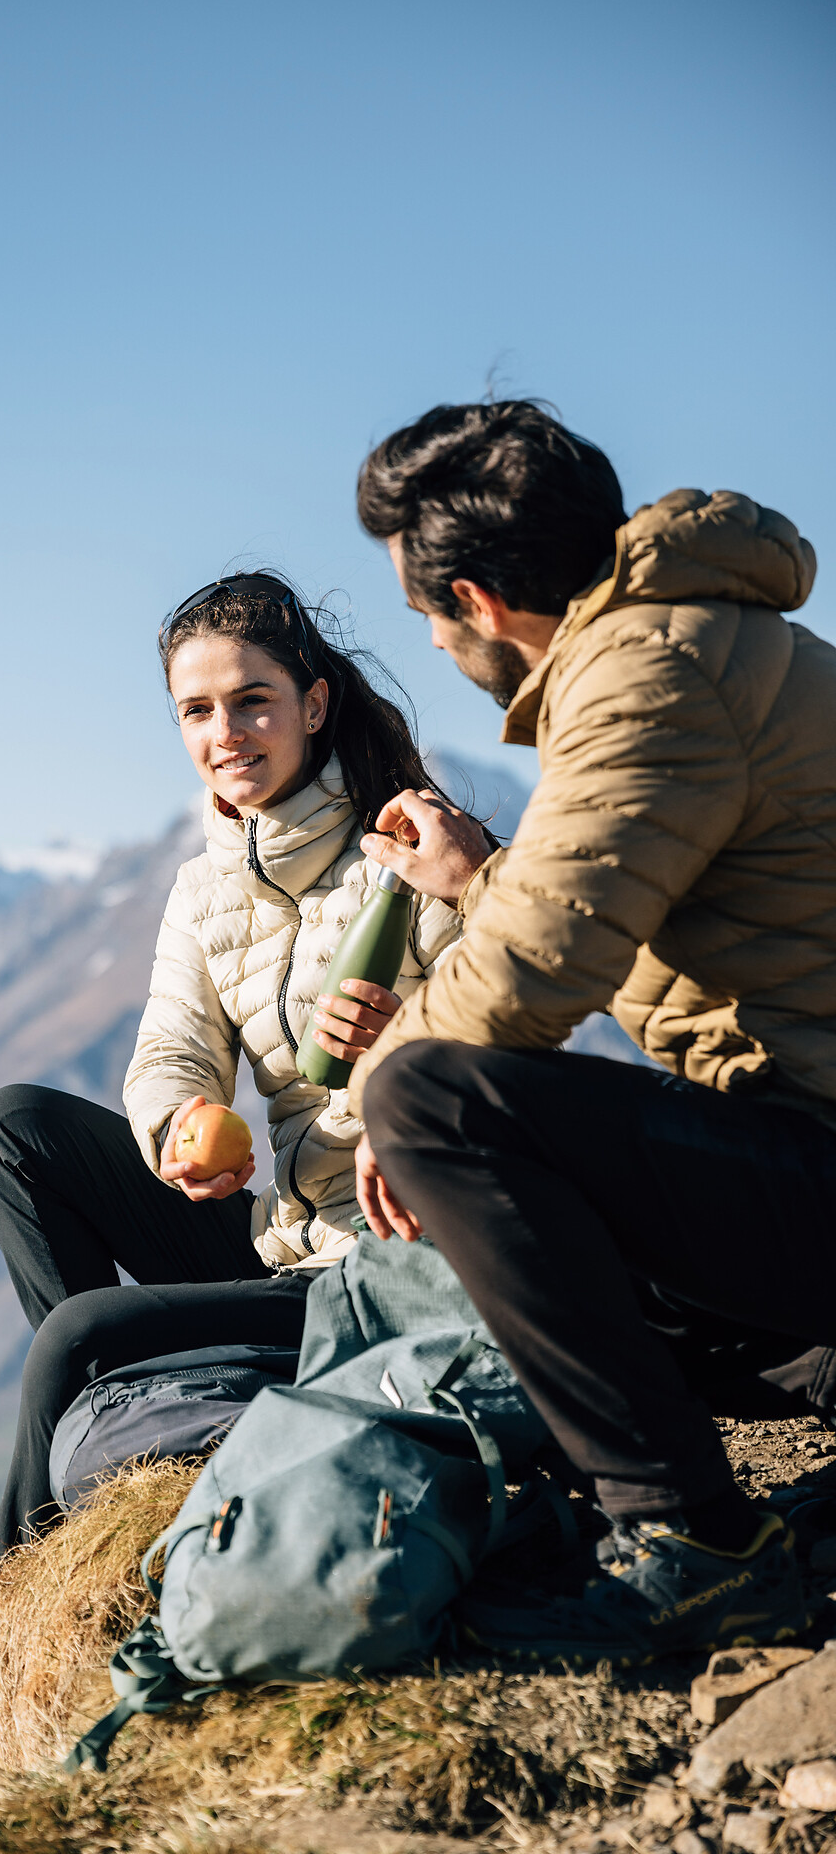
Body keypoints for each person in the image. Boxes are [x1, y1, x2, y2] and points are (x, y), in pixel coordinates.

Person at [0, 570, 472, 1806]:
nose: (225, 735)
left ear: (313, 704)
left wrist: (393, 1047)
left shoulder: (411, 852)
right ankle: (138, 1409)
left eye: (251, 703)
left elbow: (511, 1033)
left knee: (82, 1335)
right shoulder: (207, 883)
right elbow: (170, 1045)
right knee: (13, 1129)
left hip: (380, 1272)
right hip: (275, 1239)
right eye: (197, 714)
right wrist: (173, 1123)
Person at [347, 398, 835, 1662]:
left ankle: (700, 1547)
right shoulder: (701, 638)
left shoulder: (645, 677)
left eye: (428, 622)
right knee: (551, 1253)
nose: (445, 650)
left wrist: (387, 1088)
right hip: (801, 1129)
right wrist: (480, 876)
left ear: (477, 601)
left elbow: (533, 977)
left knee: (433, 1106)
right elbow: (595, 900)